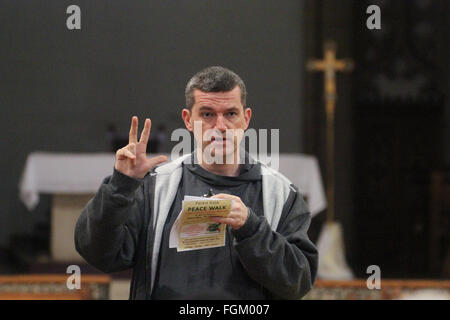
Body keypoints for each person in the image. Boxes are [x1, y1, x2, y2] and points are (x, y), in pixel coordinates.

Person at [74, 66, 318, 300]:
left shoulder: (280, 193)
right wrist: (120, 186)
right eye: (207, 114)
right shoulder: (154, 187)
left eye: (230, 114)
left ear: (246, 119)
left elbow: (298, 282)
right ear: (188, 120)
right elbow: (100, 254)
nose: (220, 126)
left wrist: (251, 228)